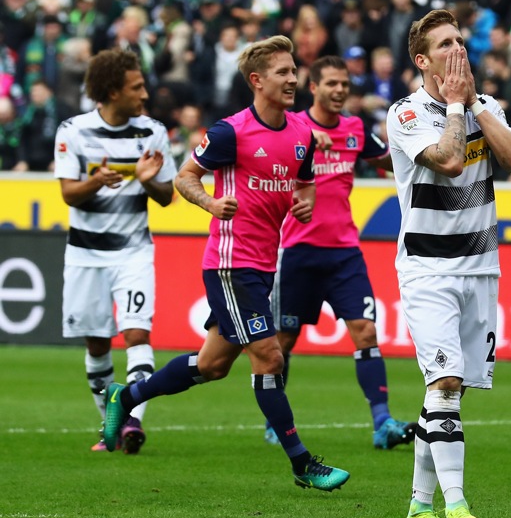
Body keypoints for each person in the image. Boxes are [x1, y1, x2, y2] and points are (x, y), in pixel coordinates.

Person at [100, 36, 350, 493]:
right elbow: (184, 177)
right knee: (270, 357)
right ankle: (302, 463)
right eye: (282, 72)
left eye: (294, 71)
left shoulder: (301, 134)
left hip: (262, 267)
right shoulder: (230, 132)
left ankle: (127, 395)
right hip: (229, 264)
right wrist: (211, 204)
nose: (293, 79)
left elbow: (307, 183)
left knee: (212, 365)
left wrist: (304, 204)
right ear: (257, 81)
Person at [386, 9, 511, 518]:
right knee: (444, 384)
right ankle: (457, 505)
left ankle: (418, 508)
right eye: (445, 44)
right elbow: (446, 160)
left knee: (447, 395)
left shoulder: (485, 107)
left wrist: (472, 106)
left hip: (481, 270)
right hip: (427, 270)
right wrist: (452, 106)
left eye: (461, 41)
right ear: (422, 60)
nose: (457, 51)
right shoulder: (405, 114)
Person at [270, 54, 416, 449]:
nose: (339, 91)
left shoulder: (354, 129)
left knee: (366, 332)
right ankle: (275, 419)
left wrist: (419, 151)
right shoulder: (292, 125)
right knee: (283, 339)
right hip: (297, 249)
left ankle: (382, 421)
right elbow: (269, 161)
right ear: (313, 87)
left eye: (344, 85)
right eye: (331, 84)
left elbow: (387, 160)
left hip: (344, 251)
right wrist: (303, 142)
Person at [54, 48, 176, 453]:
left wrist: (145, 180)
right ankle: (109, 425)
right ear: (111, 91)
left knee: (137, 332)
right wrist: (96, 181)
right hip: (85, 254)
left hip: (133, 250)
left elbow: (165, 198)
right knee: (96, 344)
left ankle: (131, 423)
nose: (144, 94)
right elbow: (69, 194)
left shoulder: (153, 132)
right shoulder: (73, 131)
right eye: (136, 87)